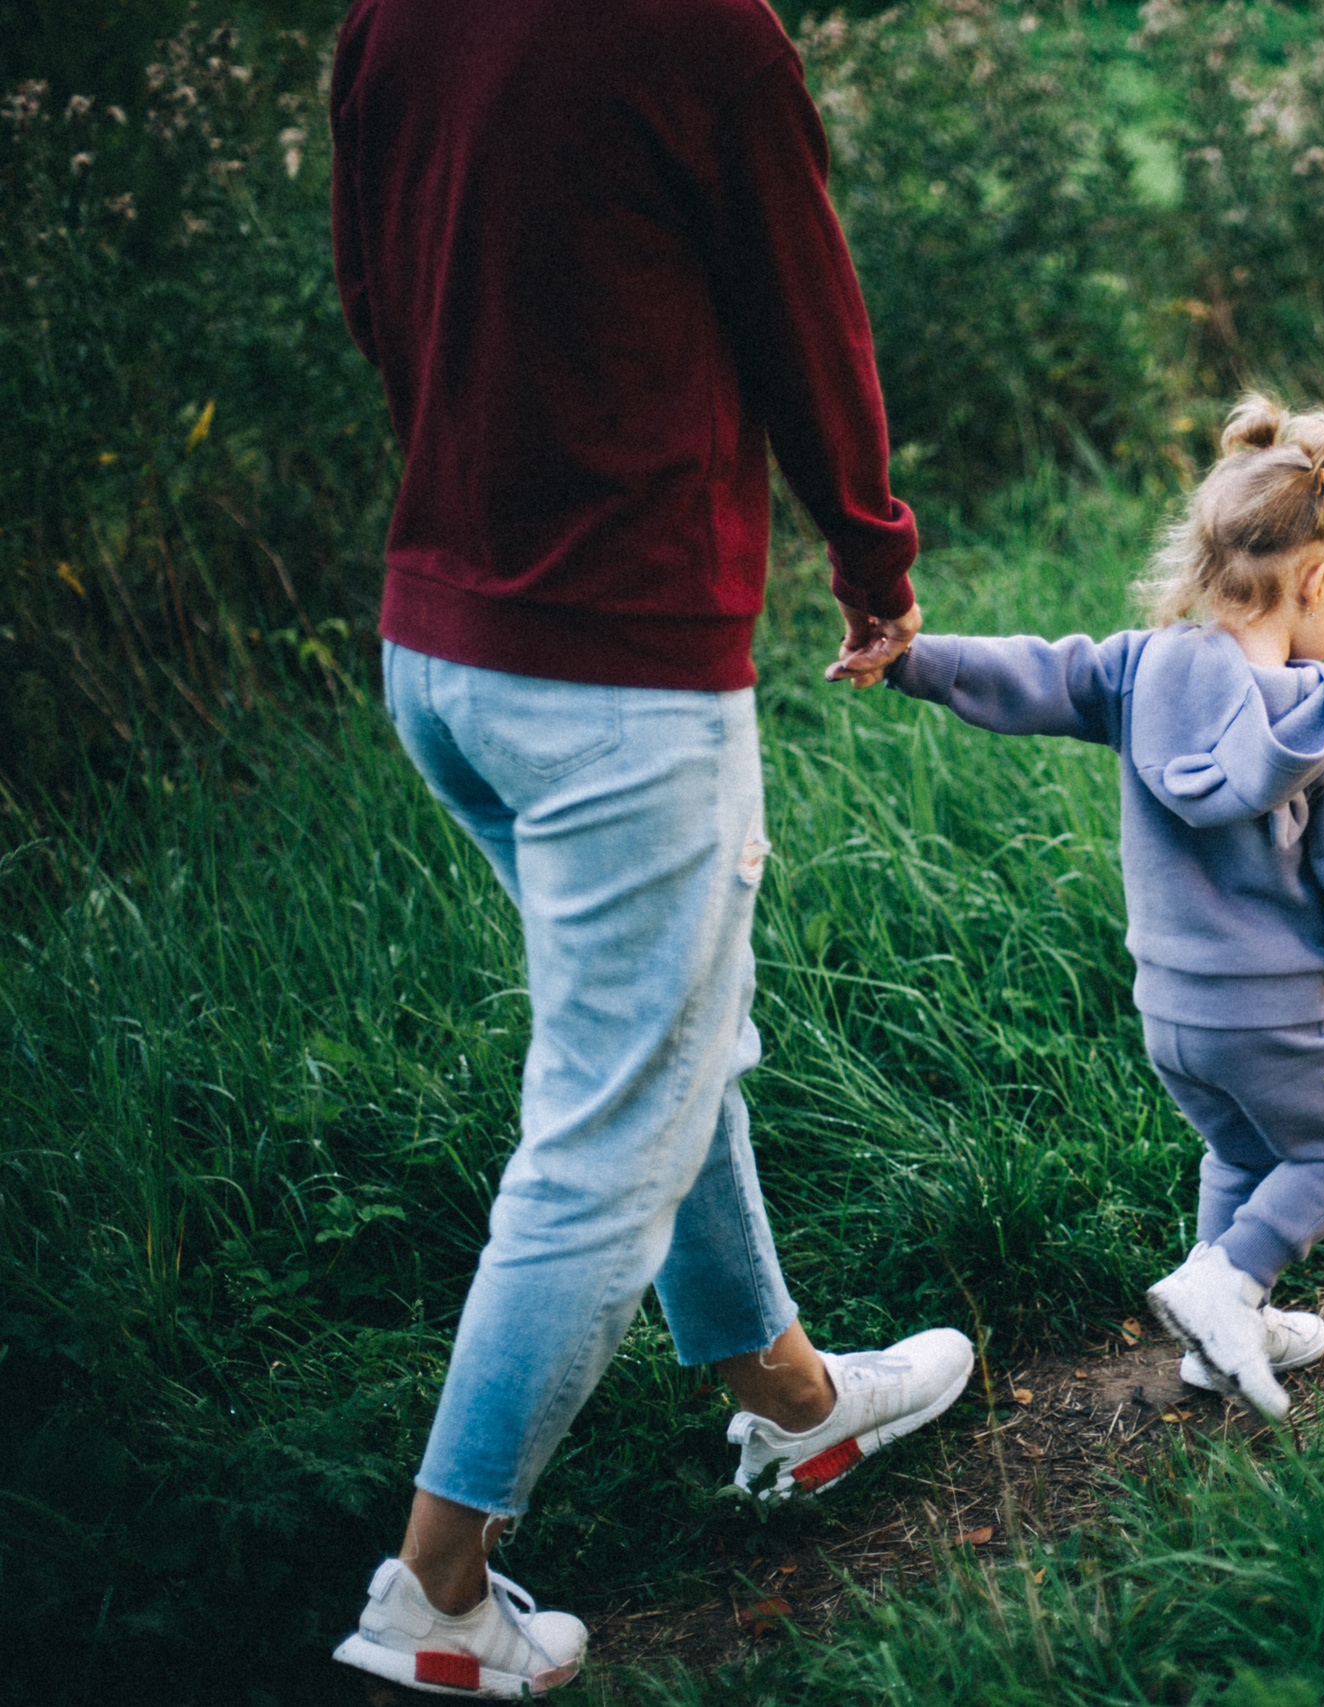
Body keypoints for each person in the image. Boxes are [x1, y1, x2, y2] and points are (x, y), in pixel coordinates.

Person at [325, 0, 972, 1694]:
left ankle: (798, 1397)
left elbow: (372, 293)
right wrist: (872, 549)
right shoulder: (703, 32)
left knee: (669, 1043)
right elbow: (806, 322)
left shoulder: (397, 14)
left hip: (441, 652)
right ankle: (439, 1594)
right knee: (609, 1130)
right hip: (612, 677)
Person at [872, 394, 1324, 1422]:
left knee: (1238, 1153)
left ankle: (1216, 1340)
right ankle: (1224, 1289)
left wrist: (913, 658)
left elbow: (1031, 674)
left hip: (1171, 1011)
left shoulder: (1138, 671)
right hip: (1273, 1014)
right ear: (1315, 580)